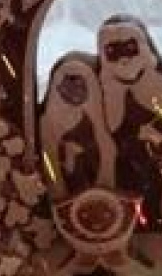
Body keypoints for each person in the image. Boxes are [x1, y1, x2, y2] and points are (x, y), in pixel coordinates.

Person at [97, 17, 162, 226]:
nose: (124, 60)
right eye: (113, 52)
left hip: (161, 166)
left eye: (130, 49)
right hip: (123, 170)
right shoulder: (103, 89)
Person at [39, 54, 115, 198]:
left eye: (79, 85)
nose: (74, 92)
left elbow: (107, 147)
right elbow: (49, 159)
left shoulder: (98, 115)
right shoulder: (48, 121)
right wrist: (58, 191)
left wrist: (105, 183)